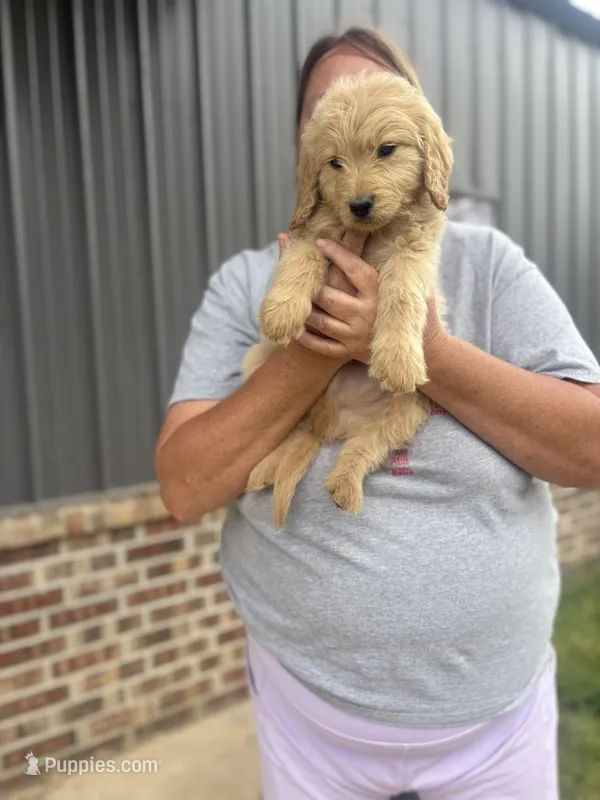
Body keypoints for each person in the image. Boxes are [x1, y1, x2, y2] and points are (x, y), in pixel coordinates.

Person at [155, 27, 600, 800]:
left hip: (493, 728)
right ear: (309, 153)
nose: (361, 174)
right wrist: (324, 342)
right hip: (311, 725)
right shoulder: (243, 285)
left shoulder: (491, 264)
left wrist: (428, 348)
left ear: (425, 144)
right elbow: (186, 485)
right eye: (330, 120)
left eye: (385, 139)